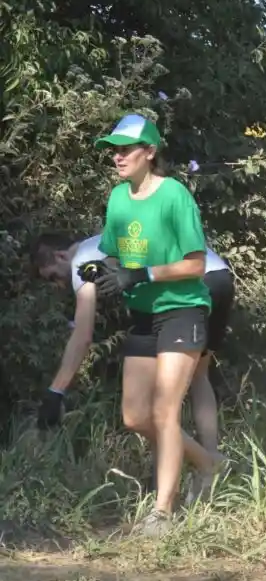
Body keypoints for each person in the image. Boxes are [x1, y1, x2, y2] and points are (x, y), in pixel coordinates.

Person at [83, 113, 225, 535]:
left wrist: (141, 274)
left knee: (164, 411)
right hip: (143, 315)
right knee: (134, 416)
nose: (118, 156)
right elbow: (114, 253)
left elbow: (195, 265)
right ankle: (208, 463)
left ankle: (163, 511)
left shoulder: (174, 195)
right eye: (114, 149)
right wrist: (102, 268)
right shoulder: (118, 199)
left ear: (150, 152)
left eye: (126, 148)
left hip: (182, 309)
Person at [31, 231, 235, 460]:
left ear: (60, 256)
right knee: (199, 375)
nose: (58, 285)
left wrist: (55, 392)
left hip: (189, 285)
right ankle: (211, 458)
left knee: (157, 395)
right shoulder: (100, 241)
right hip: (218, 276)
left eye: (53, 277)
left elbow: (83, 336)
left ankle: (194, 468)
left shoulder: (81, 260)